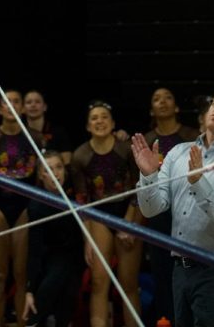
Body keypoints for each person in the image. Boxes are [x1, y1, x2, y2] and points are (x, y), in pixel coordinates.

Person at [131, 86, 214, 327]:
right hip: (180, 269)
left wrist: (200, 182)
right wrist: (148, 177)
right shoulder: (179, 152)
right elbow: (151, 209)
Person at [71, 101, 142, 327]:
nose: (99, 121)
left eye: (104, 117)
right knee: (99, 283)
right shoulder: (80, 155)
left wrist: (129, 223)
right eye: (94, 118)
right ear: (87, 126)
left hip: (128, 210)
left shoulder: (124, 149)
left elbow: (139, 187)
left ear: (112, 123)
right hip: (99, 215)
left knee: (128, 283)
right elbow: (82, 199)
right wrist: (87, 239)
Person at [0, 90, 42, 327]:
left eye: (16, 101)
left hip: (24, 208)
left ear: (22, 108)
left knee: (21, 276)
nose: (11, 105)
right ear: (0, 108)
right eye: (7, 102)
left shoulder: (35, 137)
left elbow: (40, 180)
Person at [141, 88, 199, 326]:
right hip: (159, 215)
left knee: (189, 273)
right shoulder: (145, 140)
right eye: (156, 99)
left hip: (187, 213)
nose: (162, 102)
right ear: (151, 110)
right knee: (162, 274)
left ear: (176, 107)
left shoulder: (192, 136)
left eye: (167, 97)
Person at [23, 151, 84, 327]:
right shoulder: (36, 206)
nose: (55, 173)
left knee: (66, 295)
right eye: (48, 170)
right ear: (41, 175)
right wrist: (29, 290)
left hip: (75, 257)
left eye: (58, 167)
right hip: (49, 260)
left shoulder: (74, 196)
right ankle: (33, 322)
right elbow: (34, 251)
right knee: (58, 274)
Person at [22, 90, 72, 165]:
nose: (33, 105)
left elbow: (66, 161)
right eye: (29, 102)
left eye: (37, 102)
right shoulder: (18, 133)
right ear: (23, 109)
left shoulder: (58, 132)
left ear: (45, 107)